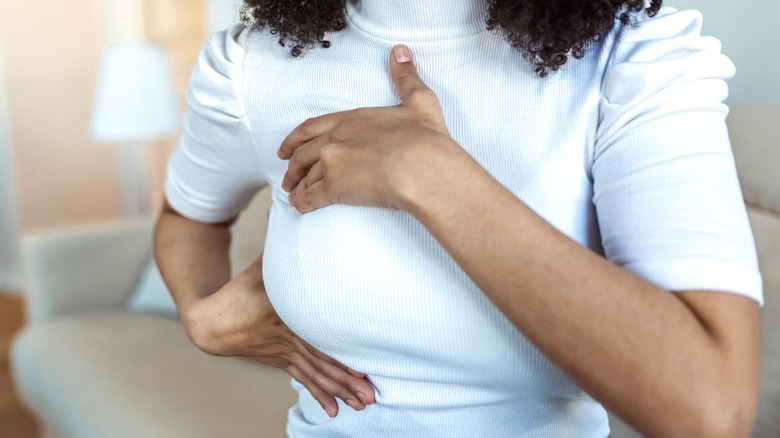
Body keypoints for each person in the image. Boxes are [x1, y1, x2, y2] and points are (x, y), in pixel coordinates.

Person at [154, 0, 763, 436]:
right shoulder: (253, 64)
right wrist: (201, 317)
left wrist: (427, 172)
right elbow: (189, 219)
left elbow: (710, 408)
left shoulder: (635, 54)